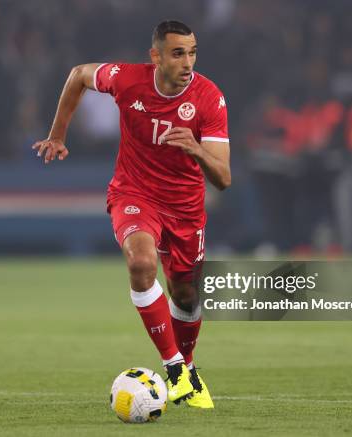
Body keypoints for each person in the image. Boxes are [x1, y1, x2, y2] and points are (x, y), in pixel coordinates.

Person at [33, 20, 230, 408]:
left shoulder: (209, 98)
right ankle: (174, 366)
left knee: (187, 295)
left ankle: (187, 370)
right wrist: (57, 134)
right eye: (177, 53)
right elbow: (78, 75)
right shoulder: (125, 79)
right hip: (134, 193)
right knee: (141, 265)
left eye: (192, 52)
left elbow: (223, 177)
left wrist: (195, 149)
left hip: (186, 209)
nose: (187, 62)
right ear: (155, 56)